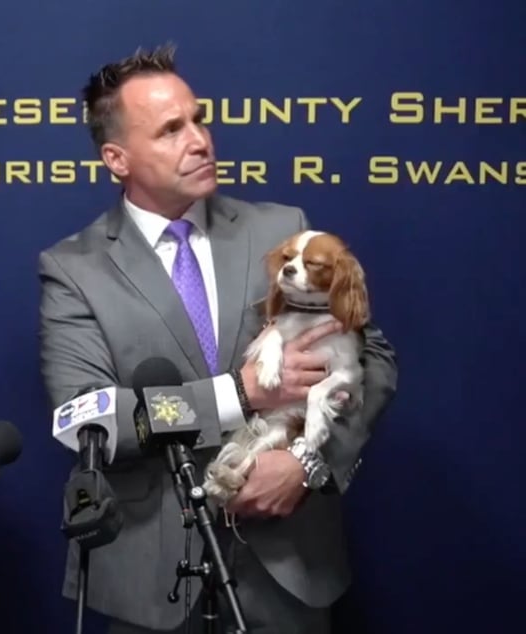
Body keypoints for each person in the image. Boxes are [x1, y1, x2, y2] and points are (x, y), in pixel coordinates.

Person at [38, 45, 397, 634]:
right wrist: (239, 393)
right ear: (117, 158)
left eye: (199, 119)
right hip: (152, 585)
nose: (200, 140)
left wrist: (308, 462)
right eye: (171, 130)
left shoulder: (283, 230)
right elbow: (86, 419)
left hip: (289, 569)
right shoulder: (74, 269)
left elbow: (373, 357)